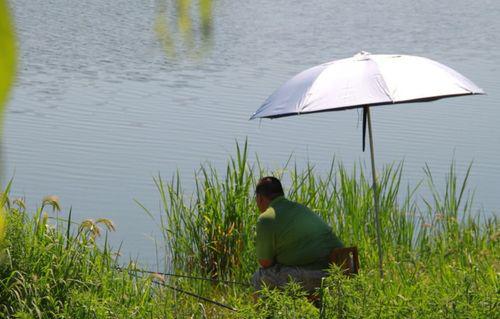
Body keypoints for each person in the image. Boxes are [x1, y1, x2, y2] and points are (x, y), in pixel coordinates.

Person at [252, 176, 344, 293]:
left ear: (259, 197)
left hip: (317, 276)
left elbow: (265, 262)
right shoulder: (300, 208)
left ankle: (260, 311)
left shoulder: (266, 218)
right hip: (340, 271)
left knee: (260, 277)